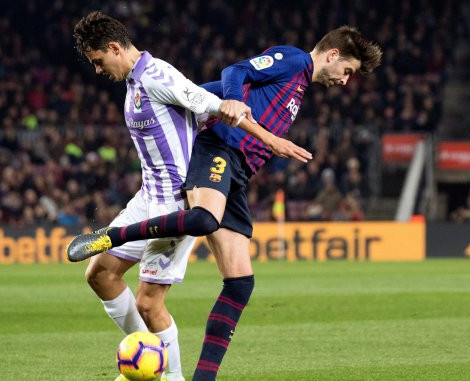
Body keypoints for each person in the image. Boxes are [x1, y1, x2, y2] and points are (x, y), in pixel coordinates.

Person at [68, 26, 382, 380]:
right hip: (219, 151)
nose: (344, 81)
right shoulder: (293, 60)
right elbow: (235, 73)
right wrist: (236, 107)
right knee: (201, 220)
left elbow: (207, 93)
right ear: (333, 55)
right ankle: (115, 236)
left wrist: (209, 101)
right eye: (348, 72)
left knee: (240, 282)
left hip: (237, 175)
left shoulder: (298, 86)